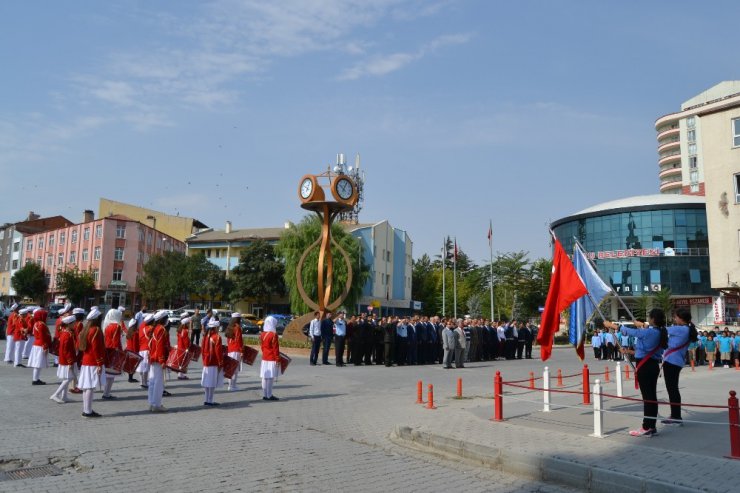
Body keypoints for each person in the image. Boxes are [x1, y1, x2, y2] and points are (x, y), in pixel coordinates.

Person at [605, 310, 666, 437]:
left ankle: (646, 427)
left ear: (653, 319)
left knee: (648, 398)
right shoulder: (660, 332)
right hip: (652, 365)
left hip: (645, 367)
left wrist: (612, 325)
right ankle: (651, 426)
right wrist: (628, 351)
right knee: (651, 397)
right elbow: (644, 349)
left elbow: (630, 332)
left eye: (649, 318)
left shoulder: (649, 332)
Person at [661, 308, 695, 426]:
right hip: (675, 361)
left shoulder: (681, 329)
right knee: (673, 389)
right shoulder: (686, 329)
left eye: (675, 317)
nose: (674, 319)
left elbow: (661, 329)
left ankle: (676, 417)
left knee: (672, 389)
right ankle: (675, 415)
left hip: (672, 362)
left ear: (681, 318)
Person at [78, 307, 105, 418]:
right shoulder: (96, 330)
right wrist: (99, 363)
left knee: (86, 386)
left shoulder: (86, 329)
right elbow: (96, 348)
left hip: (86, 360)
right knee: (90, 387)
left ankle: (86, 409)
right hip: (93, 361)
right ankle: (88, 411)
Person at [49, 314, 77, 403]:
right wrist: (70, 362)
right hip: (66, 360)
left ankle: (64, 396)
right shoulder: (67, 335)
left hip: (65, 360)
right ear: (69, 324)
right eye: (73, 323)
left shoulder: (65, 333)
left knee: (67, 378)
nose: (74, 325)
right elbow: (66, 350)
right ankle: (55, 394)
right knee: (68, 379)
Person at [147, 310, 169, 412]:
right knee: (158, 383)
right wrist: (162, 360)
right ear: (163, 319)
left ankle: (152, 403)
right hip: (158, 358)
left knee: (152, 382)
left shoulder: (155, 328)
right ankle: (157, 404)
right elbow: (160, 346)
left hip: (153, 357)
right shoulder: (162, 329)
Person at [102, 308, 125, 399]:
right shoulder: (116, 326)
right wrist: (120, 352)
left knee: (108, 374)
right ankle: (106, 393)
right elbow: (116, 342)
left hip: (108, 350)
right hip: (114, 352)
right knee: (112, 375)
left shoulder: (107, 326)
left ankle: (106, 392)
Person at [201, 319, 223, 406]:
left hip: (206, 361)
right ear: (215, 327)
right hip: (213, 362)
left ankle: (206, 399)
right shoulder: (217, 337)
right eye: (218, 327)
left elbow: (202, 350)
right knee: (212, 382)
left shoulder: (205, 336)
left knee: (207, 382)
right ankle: (210, 400)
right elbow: (218, 352)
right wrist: (220, 363)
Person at [27, 308, 51, 385]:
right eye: (45, 316)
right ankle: (35, 379)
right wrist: (45, 346)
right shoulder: (41, 325)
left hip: (37, 344)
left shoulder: (36, 323)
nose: (47, 318)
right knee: (38, 363)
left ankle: (36, 378)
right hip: (40, 345)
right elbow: (42, 337)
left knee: (37, 363)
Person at [260, 315, 281, 401]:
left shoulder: (262, 334)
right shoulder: (273, 335)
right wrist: (278, 359)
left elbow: (262, 347)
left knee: (264, 377)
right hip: (272, 358)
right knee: (270, 377)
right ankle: (269, 395)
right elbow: (275, 348)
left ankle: (265, 394)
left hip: (264, 357)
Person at [225, 313, 244, 391]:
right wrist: (242, 351)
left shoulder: (229, 327)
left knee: (231, 368)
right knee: (235, 369)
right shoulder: (237, 328)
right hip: (236, 350)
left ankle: (230, 385)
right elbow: (239, 341)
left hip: (230, 350)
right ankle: (233, 386)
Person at [137, 313, 154, 388]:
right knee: (146, 367)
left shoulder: (142, 328)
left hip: (141, 349)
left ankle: (142, 381)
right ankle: (145, 383)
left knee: (142, 366)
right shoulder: (151, 328)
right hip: (148, 349)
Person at [124, 317, 139, 383]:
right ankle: (130, 378)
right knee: (133, 365)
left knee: (130, 365)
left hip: (128, 350)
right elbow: (135, 344)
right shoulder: (135, 333)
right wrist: (136, 353)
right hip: (133, 350)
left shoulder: (129, 331)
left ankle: (130, 378)